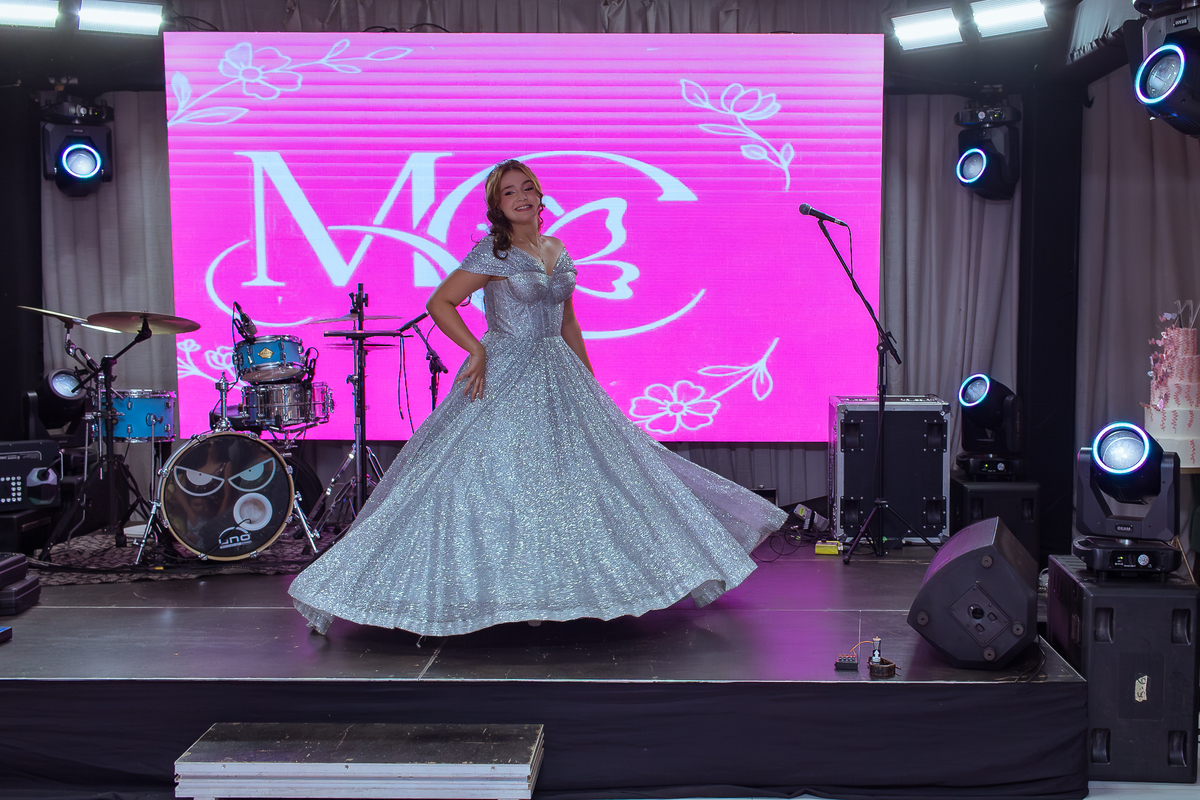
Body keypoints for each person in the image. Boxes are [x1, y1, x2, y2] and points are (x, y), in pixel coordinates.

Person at [288, 159, 786, 636]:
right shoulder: (493, 254)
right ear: (497, 206)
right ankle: (503, 594)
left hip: (557, 371)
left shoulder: (557, 247)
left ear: (540, 195)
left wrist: (588, 379)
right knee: (497, 480)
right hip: (505, 370)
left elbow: (568, 321)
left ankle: (554, 594)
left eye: (527, 187)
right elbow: (439, 302)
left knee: (584, 480)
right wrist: (475, 349)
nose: (521, 197)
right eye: (509, 192)